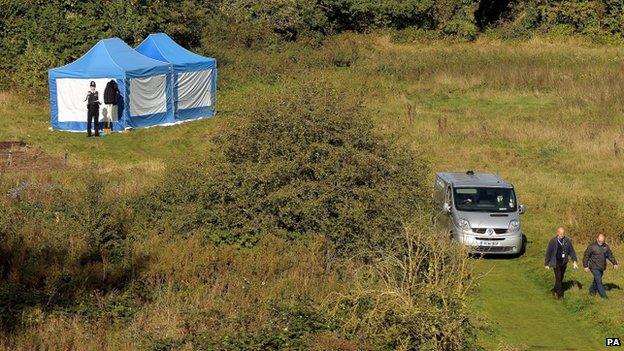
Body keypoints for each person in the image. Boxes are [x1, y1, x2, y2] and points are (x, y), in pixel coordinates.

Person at [544, 227, 578, 299]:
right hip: (556, 262)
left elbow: (571, 251)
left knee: (560, 278)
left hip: (564, 262)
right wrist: (546, 264)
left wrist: (574, 261)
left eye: (563, 233)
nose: (562, 235)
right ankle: (560, 295)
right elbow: (548, 252)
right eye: (561, 233)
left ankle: (554, 290)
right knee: (558, 277)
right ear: (557, 233)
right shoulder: (553, 241)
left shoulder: (567, 241)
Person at [583, 234, 619, 298]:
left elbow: (610, 255)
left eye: (602, 242)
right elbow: (586, 256)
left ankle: (591, 292)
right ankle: (604, 296)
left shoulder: (606, 247)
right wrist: (585, 266)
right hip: (594, 266)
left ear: (604, 241)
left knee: (596, 280)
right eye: (599, 241)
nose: (601, 243)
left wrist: (615, 263)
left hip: (602, 266)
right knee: (599, 281)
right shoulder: (592, 246)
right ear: (597, 239)